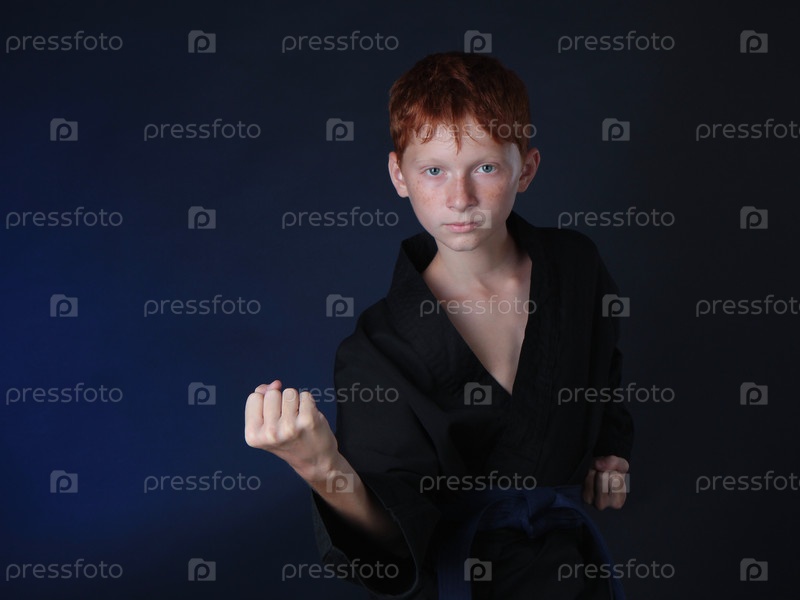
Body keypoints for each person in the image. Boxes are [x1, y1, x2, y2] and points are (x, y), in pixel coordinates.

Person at [244, 51, 634, 599]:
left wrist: (610, 451)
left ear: (526, 169)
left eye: (486, 168)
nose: (460, 198)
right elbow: (392, 540)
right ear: (398, 175)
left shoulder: (575, 266)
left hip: (570, 576)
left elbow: (603, 371)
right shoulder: (377, 349)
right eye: (434, 171)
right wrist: (321, 466)